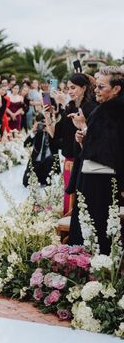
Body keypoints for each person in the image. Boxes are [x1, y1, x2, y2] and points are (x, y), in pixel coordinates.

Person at [68, 69, 124, 254]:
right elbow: (103, 145)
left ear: (116, 89)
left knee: (92, 227)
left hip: (100, 179)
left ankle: (87, 267)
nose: (96, 90)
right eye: (96, 86)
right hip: (97, 175)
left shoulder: (111, 110)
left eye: (101, 87)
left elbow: (108, 150)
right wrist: (84, 133)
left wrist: (85, 131)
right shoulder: (107, 109)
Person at [48, 73, 97, 214]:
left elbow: (91, 133)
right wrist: (47, 117)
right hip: (69, 158)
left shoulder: (91, 107)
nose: (69, 91)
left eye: (73, 88)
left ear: (83, 88)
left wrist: (64, 104)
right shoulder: (70, 105)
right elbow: (56, 134)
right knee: (69, 195)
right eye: (68, 88)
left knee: (78, 197)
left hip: (82, 159)